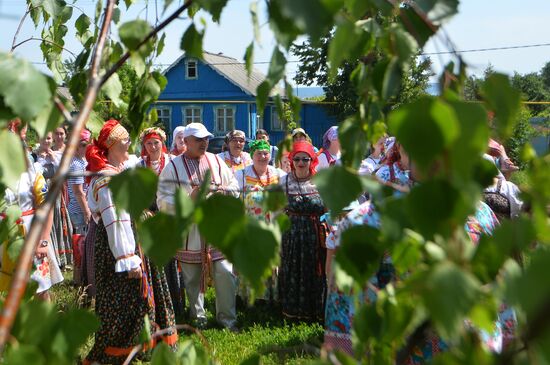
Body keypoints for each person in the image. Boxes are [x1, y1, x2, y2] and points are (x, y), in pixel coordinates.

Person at [84, 120, 177, 364]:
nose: (129, 143)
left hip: (133, 241)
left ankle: (142, 346)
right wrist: (127, 258)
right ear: (112, 145)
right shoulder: (106, 179)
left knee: (140, 299)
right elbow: (115, 220)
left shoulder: (120, 169)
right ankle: (117, 352)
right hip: (119, 249)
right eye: (125, 140)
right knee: (123, 301)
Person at [157, 122, 240, 331]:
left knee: (225, 273)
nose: (204, 143)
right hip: (190, 233)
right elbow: (162, 201)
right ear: (185, 142)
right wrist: (189, 198)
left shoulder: (216, 161)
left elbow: (235, 186)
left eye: (206, 139)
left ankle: (227, 320)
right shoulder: (172, 168)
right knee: (192, 278)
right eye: (199, 139)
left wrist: (224, 192)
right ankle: (198, 320)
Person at [0, 120, 63, 300]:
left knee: (39, 288)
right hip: (3, 235)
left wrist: (43, 241)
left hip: (30, 234)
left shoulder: (32, 174)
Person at [278, 141, 327, 321]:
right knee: (293, 269)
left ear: (311, 160)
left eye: (305, 159)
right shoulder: (284, 181)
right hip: (292, 234)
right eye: (297, 159)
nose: (300, 163)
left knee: (315, 270)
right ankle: (292, 312)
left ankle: (315, 312)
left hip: (314, 234)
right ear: (291, 160)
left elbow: (328, 208)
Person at [235, 140, 286, 303]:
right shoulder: (241, 175)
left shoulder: (279, 175)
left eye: (266, 153)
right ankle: (249, 298)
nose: (263, 157)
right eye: (259, 153)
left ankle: (271, 297)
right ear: (252, 156)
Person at [67, 129, 91, 234]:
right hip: (79, 212)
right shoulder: (76, 165)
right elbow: (78, 192)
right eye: (83, 144)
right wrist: (86, 212)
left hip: (82, 209)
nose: (87, 147)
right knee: (81, 245)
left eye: (88, 144)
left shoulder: (82, 161)